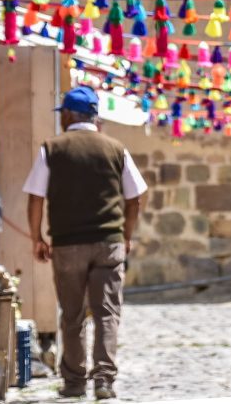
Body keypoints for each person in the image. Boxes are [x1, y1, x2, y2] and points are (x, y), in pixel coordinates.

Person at [23, 86, 147, 400]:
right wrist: (127, 234)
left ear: (67, 114)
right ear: (94, 116)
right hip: (108, 244)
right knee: (107, 314)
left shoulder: (52, 148)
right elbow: (135, 197)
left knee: (73, 314)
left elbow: (36, 197)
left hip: (67, 246)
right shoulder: (116, 148)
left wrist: (37, 237)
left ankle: (75, 383)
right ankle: (104, 381)